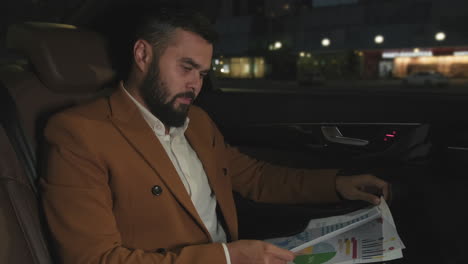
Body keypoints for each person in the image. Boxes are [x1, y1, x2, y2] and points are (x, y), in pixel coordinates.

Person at [40, 7, 389, 264]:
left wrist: (337, 184)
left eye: (203, 73)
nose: (195, 84)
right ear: (143, 54)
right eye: (186, 67)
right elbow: (93, 259)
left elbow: (253, 176)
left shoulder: (198, 121)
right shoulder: (79, 134)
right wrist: (225, 257)